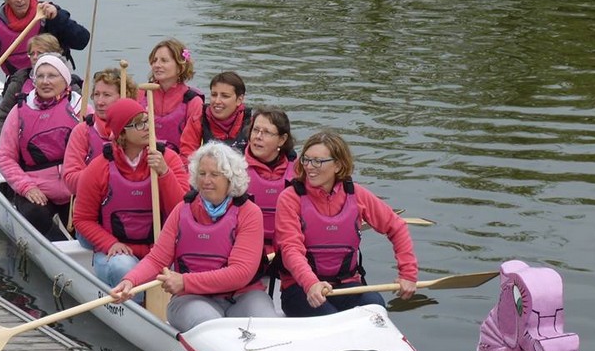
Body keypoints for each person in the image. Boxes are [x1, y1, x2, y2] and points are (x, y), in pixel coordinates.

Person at [110, 141, 277, 331]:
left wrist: (184, 281)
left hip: (243, 295)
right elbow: (157, 259)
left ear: (231, 179)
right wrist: (130, 281)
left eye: (215, 175)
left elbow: (240, 273)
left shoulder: (249, 213)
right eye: (202, 174)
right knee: (213, 328)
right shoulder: (182, 210)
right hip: (190, 298)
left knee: (268, 327)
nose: (206, 181)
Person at [274, 131, 418, 317]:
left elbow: (397, 227)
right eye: (306, 160)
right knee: (330, 318)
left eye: (318, 161)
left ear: (338, 165)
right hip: (301, 288)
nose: (310, 167)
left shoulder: (356, 194)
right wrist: (311, 283)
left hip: (347, 285)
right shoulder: (290, 198)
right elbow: (290, 249)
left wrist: (408, 274)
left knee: (376, 308)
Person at [73, 98, 189, 294]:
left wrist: (164, 173)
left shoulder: (168, 159)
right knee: (123, 268)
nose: (146, 128)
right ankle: (136, 309)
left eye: (146, 121)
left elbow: (183, 210)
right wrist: (110, 243)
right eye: (138, 124)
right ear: (122, 133)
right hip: (118, 250)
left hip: (158, 250)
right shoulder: (99, 168)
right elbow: (82, 219)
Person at [0, 54, 81, 240]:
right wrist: (26, 187)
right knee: (35, 214)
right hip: (36, 188)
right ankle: (58, 247)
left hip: (75, 189)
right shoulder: (20, 110)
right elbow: (4, 156)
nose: (45, 81)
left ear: (65, 80)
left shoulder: (81, 109)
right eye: (40, 76)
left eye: (52, 76)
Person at [62, 67, 138, 196]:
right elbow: (70, 179)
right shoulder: (82, 131)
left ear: (125, 96)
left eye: (107, 95)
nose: (99, 102)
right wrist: (105, 178)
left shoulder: (139, 129)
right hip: (92, 200)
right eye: (96, 94)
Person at [0, 33, 75, 138]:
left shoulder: (73, 85)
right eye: (32, 53)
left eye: (40, 53)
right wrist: (10, 143)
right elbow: (1, 118)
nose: (35, 57)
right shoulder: (19, 81)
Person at [245, 107, 296, 255]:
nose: (258, 136)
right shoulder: (234, 168)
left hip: (287, 248)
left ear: (282, 139)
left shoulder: (301, 171)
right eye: (255, 130)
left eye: (266, 132)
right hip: (249, 249)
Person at [142, 38, 203, 153]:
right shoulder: (142, 94)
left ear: (180, 67)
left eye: (164, 60)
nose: (157, 65)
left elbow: (189, 149)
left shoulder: (193, 102)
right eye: (154, 60)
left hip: (176, 163)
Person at [179, 71, 252, 163]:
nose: (217, 101)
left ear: (239, 99)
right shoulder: (198, 121)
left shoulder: (251, 125)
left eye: (225, 96)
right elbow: (187, 159)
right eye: (214, 95)